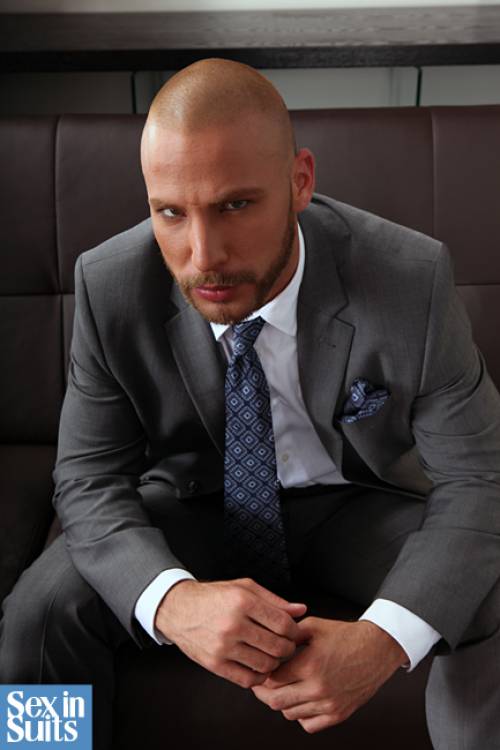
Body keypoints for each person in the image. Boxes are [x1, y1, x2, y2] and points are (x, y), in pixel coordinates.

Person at [1, 57, 500, 750]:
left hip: (355, 503)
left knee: (487, 584)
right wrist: (172, 600)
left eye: (235, 205)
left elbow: (480, 480)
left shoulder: (410, 279)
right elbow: (87, 479)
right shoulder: (109, 285)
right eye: (171, 213)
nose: (203, 255)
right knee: (37, 613)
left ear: (300, 181)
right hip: (192, 505)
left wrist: (385, 640)